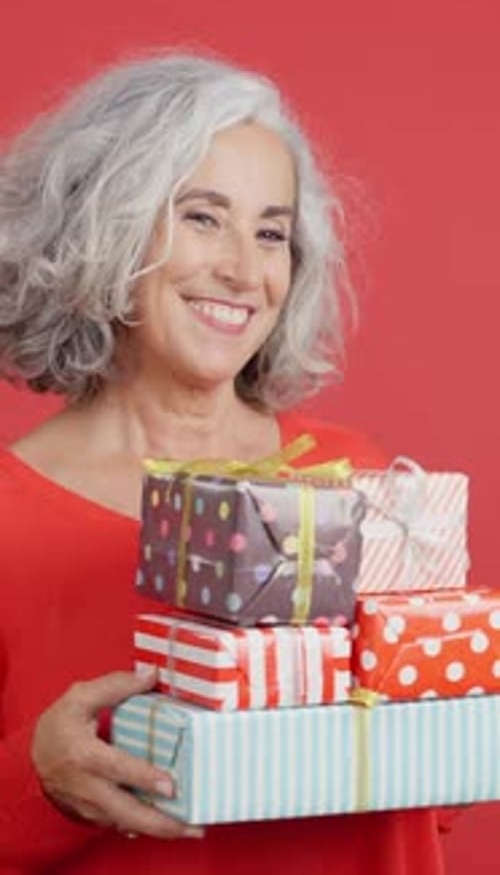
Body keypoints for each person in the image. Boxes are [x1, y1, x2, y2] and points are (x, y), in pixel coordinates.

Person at [0, 51, 446, 874]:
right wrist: (35, 778)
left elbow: (425, 785)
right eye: (204, 217)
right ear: (105, 226)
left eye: (271, 233)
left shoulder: (364, 484)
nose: (245, 271)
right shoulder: (10, 515)